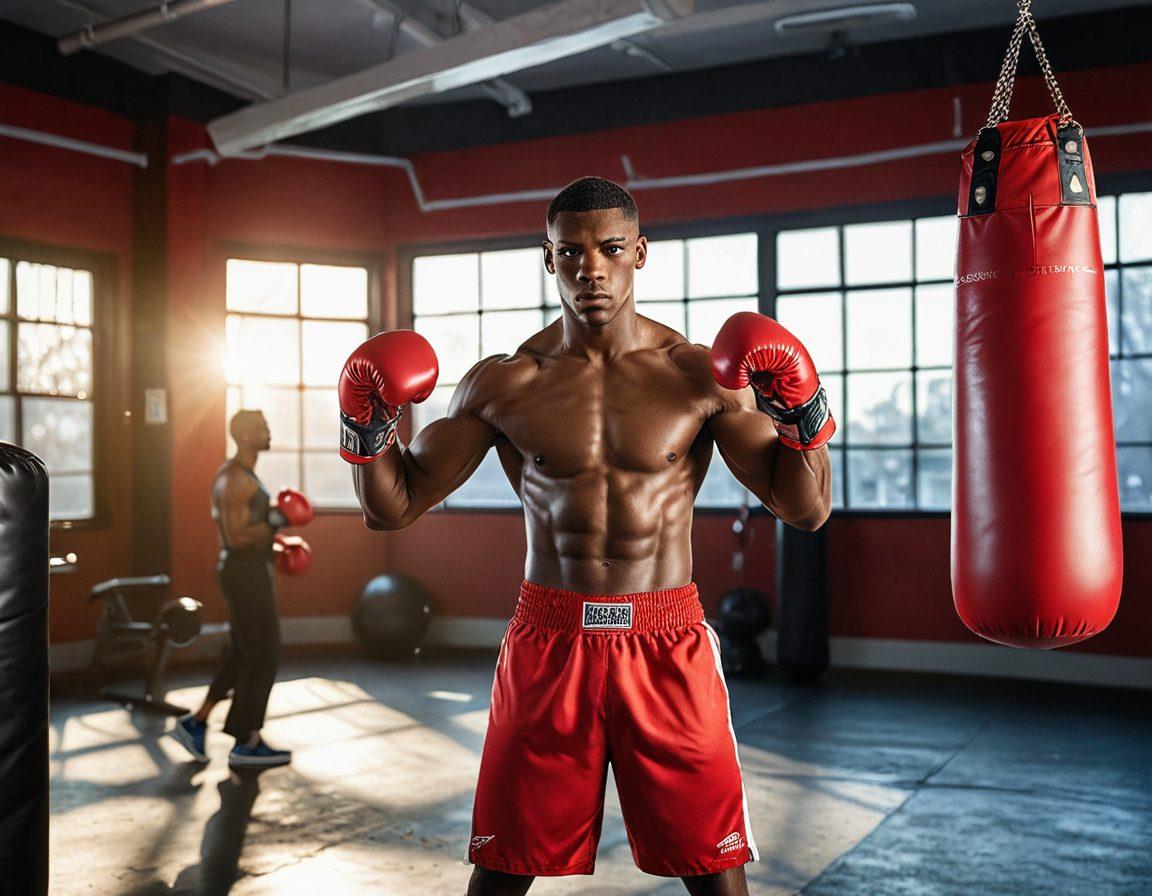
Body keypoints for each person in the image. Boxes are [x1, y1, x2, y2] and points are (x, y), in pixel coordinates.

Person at [339, 177, 833, 896]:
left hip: (666, 642)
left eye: (608, 250)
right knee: (503, 868)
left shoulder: (698, 375)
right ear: (548, 258)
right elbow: (394, 506)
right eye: (570, 251)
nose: (589, 269)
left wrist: (803, 411)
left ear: (640, 252)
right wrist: (365, 419)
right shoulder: (504, 383)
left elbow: (806, 508)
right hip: (551, 640)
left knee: (714, 869)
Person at [171, 409, 313, 767]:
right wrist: (277, 521)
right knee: (263, 654)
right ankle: (246, 741)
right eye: (262, 428)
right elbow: (236, 537)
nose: (269, 431)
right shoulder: (234, 479)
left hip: (250, 569)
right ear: (246, 435)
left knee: (242, 652)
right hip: (243, 573)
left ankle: (197, 721)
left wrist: (278, 544)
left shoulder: (246, 475)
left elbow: (251, 533)